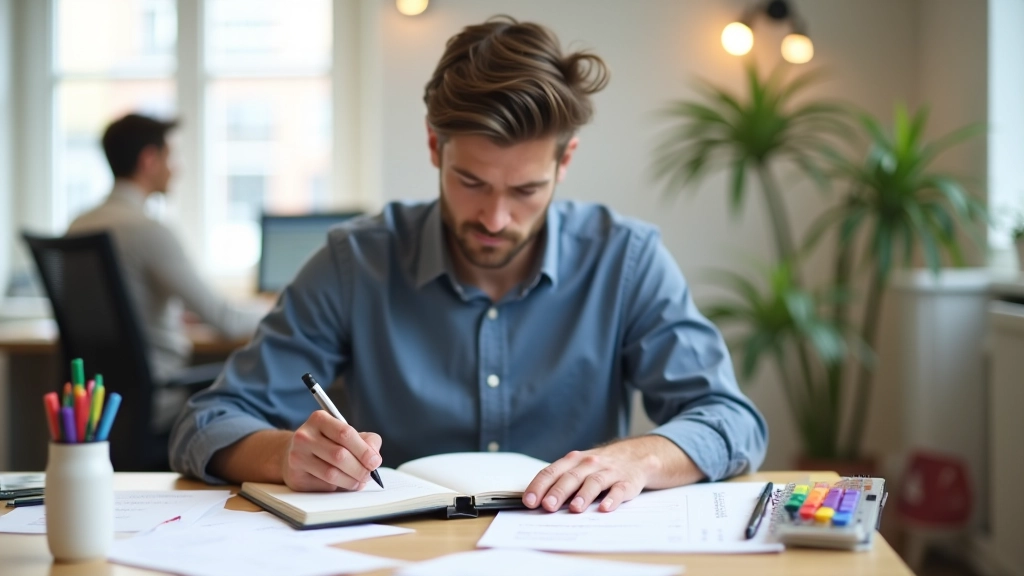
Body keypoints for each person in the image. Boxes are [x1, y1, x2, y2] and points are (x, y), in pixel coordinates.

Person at [171, 16, 767, 514]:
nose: (496, 217)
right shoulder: (355, 262)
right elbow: (208, 422)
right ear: (435, 146)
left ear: (565, 162)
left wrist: (639, 456)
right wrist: (285, 456)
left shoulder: (626, 260)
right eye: (471, 181)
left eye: (527, 190)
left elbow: (731, 420)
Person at [68, 113, 265, 431]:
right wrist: (282, 308)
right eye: (170, 156)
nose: (176, 168)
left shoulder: (78, 224)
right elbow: (225, 320)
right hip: (161, 400)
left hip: (96, 403)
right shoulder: (147, 230)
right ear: (149, 159)